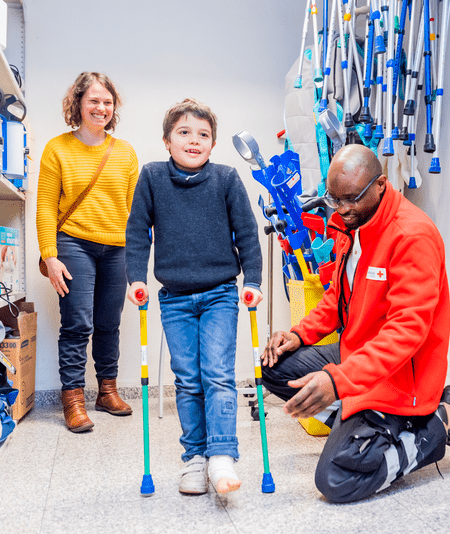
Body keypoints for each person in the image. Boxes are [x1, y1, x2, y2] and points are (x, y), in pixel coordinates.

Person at [261, 144, 450, 503]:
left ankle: (439, 421)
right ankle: (363, 424)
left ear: (381, 185)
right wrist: (297, 334)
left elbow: (406, 334)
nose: (342, 209)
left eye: (351, 199)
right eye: (334, 199)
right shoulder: (352, 225)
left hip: (402, 374)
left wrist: (337, 382)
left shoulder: (412, 236)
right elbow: (337, 298)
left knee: (335, 481)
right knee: (274, 366)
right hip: (359, 356)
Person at [125, 98, 263, 496]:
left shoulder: (226, 178)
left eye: (203, 135)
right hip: (175, 299)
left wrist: (253, 281)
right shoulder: (152, 177)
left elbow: (247, 233)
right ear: (167, 140)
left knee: (217, 374)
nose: (194, 140)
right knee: (187, 380)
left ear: (213, 144)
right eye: (184, 132)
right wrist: (136, 278)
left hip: (220, 293)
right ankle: (195, 458)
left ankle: (221, 456)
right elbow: (137, 232)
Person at [36, 72, 139, 433]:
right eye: (94, 100)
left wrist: (138, 260)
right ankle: (74, 401)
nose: (101, 108)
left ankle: (107, 392)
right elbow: (46, 207)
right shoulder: (57, 148)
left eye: (107, 102)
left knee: (109, 323)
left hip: (117, 247)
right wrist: (50, 255)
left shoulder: (125, 152)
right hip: (73, 243)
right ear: (78, 103)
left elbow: (135, 212)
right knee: (78, 323)